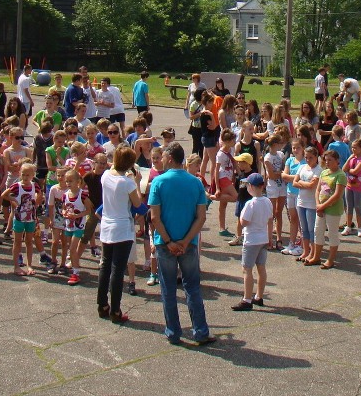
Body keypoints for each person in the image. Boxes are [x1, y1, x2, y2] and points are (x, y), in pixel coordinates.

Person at [148, 142, 215, 346]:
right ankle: (200, 331)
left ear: (169, 158)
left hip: (165, 243)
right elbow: (201, 217)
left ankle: (173, 332)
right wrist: (185, 241)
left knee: (168, 288)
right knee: (192, 287)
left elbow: (154, 218)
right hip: (189, 243)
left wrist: (168, 241)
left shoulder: (158, 182)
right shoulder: (195, 182)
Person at [97, 146, 145, 323]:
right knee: (118, 269)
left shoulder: (105, 176)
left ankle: (102, 304)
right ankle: (115, 310)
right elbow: (138, 204)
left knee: (105, 265)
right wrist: (137, 182)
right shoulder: (127, 183)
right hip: (122, 227)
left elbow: (113, 169)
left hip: (107, 225)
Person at [231, 172, 272, 311]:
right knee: (261, 267)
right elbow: (270, 220)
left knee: (247, 269)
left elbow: (244, 222)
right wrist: (270, 237)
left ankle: (247, 299)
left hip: (252, 240)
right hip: (263, 238)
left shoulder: (250, 204)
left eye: (248, 185)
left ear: (252, 187)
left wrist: (242, 218)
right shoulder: (267, 201)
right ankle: (259, 296)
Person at [2, 162, 42, 276]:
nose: (25, 177)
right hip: (19, 218)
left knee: (29, 242)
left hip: (31, 218)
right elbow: (4, 195)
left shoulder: (35, 185)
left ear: (32, 175)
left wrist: (37, 203)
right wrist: (14, 201)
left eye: (28, 175)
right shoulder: (17, 186)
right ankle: (16, 266)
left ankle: (29, 265)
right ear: (20, 174)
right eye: (23, 174)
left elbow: (40, 194)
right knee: (17, 242)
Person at [311, 149, 347, 269]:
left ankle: (330, 260)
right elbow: (318, 190)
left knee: (332, 234)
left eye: (330, 160)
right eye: (326, 160)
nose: (327, 162)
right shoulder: (324, 173)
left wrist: (322, 206)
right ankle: (316, 257)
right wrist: (318, 204)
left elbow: (337, 195)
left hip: (333, 209)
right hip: (321, 208)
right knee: (318, 231)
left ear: (337, 161)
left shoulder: (340, 175)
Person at [342, 139, 361, 237]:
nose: (353, 149)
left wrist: (350, 169)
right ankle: (348, 226)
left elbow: (355, 171)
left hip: (358, 186)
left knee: (357, 207)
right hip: (348, 186)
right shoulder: (352, 158)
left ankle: (360, 228)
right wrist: (349, 159)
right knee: (349, 207)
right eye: (352, 147)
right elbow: (344, 169)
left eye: (355, 147)